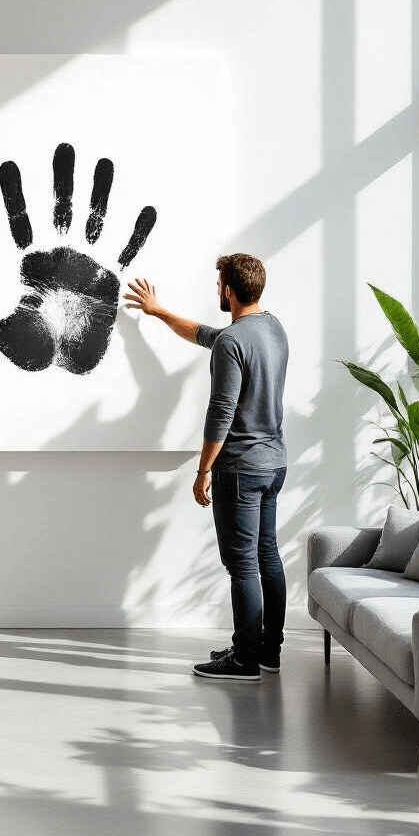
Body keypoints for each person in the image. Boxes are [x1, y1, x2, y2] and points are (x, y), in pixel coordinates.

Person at [124, 253, 288, 682]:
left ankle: (244, 659)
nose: (218, 290)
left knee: (243, 565)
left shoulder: (234, 342)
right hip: (273, 463)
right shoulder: (271, 328)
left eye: (219, 285)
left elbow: (221, 412)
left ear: (229, 290)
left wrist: (203, 472)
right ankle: (268, 650)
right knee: (267, 555)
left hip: (241, 468)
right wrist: (158, 313)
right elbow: (201, 334)